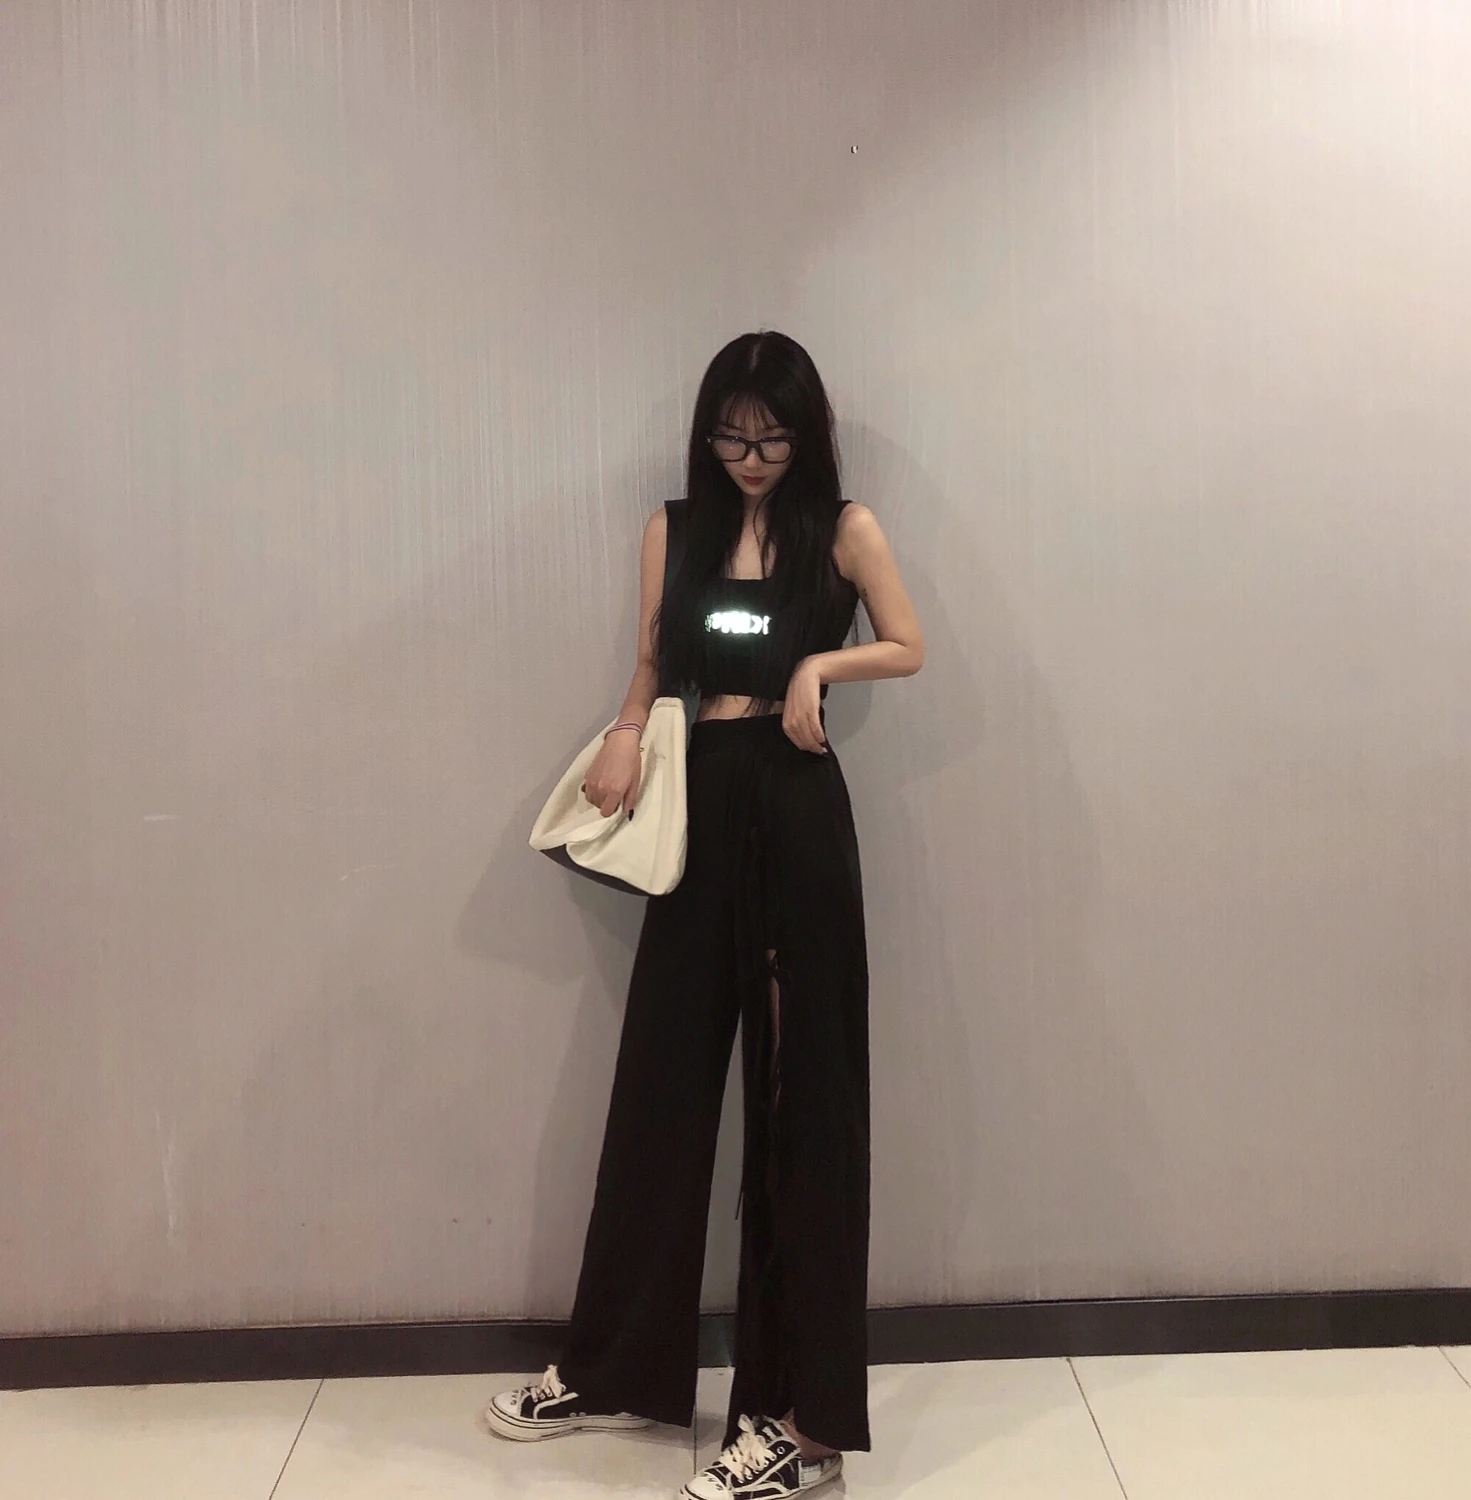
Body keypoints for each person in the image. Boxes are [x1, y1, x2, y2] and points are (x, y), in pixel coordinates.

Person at [485, 329, 925, 1499]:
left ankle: (801, 1427)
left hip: (796, 810)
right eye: (732, 437)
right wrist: (625, 731)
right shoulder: (673, 529)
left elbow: (909, 644)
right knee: (661, 1086)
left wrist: (818, 669)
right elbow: (652, 659)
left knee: (799, 1109)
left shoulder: (845, 530)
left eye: (772, 439)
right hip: (697, 800)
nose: (751, 458)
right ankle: (614, 1368)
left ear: (806, 435)